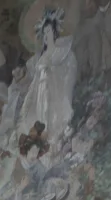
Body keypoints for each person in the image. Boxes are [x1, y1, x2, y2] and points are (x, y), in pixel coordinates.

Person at [19, 8, 78, 149]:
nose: (46, 35)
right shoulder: (41, 56)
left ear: (54, 32)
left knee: (54, 118)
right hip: (41, 91)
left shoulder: (61, 51)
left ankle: (56, 145)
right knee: (42, 116)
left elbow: (69, 72)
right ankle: (45, 146)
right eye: (44, 32)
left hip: (55, 90)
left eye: (49, 31)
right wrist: (29, 96)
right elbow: (36, 79)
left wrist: (54, 73)